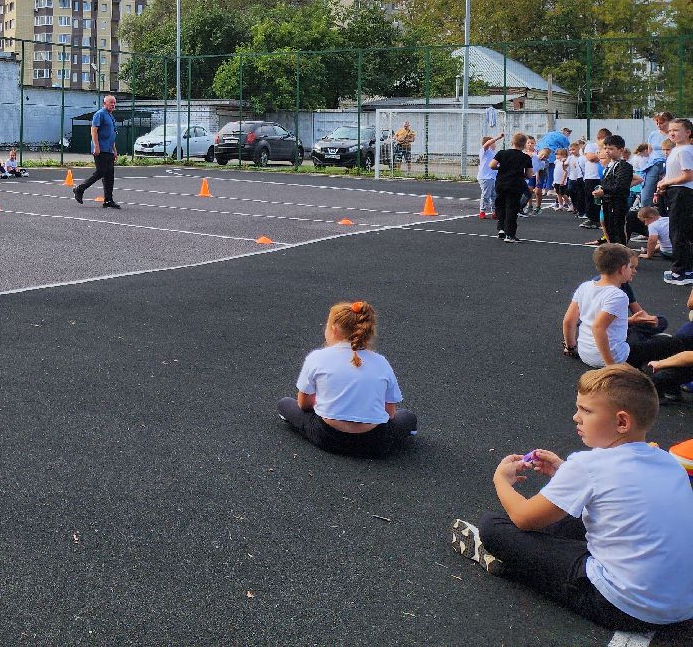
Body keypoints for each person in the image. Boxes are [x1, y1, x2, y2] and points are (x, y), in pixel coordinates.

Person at [450, 365, 693, 632]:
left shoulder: (588, 466)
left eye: (586, 410)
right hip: (684, 605)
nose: (576, 417)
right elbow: (616, 496)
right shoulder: (667, 461)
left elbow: (523, 518)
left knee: (494, 526)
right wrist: (564, 473)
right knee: (573, 515)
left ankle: (511, 561)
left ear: (622, 422)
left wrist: (500, 480)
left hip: (625, 607)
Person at [276, 299, 417, 456]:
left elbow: (304, 405)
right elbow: (390, 414)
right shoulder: (381, 362)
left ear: (334, 330)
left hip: (328, 436)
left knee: (285, 404)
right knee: (408, 417)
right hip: (375, 442)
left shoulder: (317, 358)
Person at [561, 244, 693, 371]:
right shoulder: (618, 295)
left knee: (640, 332)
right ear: (622, 269)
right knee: (673, 344)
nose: (633, 271)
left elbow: (568, 321)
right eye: (631, 267)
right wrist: (611, 367)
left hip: (585, 353)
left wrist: (570, 347)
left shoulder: (584, 287)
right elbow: (598, 328)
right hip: (613, 357)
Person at [654, 117, 693, 289]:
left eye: (676, 130)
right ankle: (687, 269)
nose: (672, 133)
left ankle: (680, 272)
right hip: (677, 192)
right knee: (680, 232)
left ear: (688, 132)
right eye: (670, 130)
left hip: (682, 194)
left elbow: (688, 176)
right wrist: (663, 183)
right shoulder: (677, 150)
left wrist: (667, 183)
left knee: (678, 233)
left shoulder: (685, 150)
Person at [74, 94, 120, 209]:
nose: (113, 105)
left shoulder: (111, 116)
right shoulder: (100, 114)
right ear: (104, 103)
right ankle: (80, 189)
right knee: (101, 172)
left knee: (109, 175)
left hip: (109, 149)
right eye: (111, 102)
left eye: (114, 103)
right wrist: (96, 146)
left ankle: (108, 200)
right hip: (101, 149)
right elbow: (94, 131)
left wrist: (114, 149)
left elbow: (111, 135)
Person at [491, 132, 536, 242]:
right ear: (524, 144)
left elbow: (492, 165)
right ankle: (510, 235)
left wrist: (501, 168)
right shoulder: (525, 157)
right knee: (512, 208)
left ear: (512, 142)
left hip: (501, 183)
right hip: (515, 184)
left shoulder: (502, 153)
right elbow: (529, 175)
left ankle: (501, 229)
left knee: (501, 205)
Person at [593, 136, 633, 247]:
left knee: (618, 229)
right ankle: (612, 251)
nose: (607, 151)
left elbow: (621, 186)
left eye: (611, 148)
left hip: (617, 203)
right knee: (609, 228)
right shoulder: (610, 165)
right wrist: (601, 189)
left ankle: (621, 253)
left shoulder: (624, 166)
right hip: (607, 202)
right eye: (605, 148)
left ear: (621, 150)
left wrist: (604, 191)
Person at [531, 127, 571, 214]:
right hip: (551, 155)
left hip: (543, 153)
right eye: (568, 132)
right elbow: (567, 146)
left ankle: (545, 189)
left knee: (546, 173)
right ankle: (549, 189)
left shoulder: (550, 134)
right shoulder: (562, 137)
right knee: (551, 172)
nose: (568, 134)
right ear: (565, 132)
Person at [476, 133, 501, 219]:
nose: (495, 144)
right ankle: (482, 211)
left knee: (494, 195)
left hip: (493, 177)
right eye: (493, 142)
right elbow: (486, 144)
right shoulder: (484, 151)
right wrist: (498, 137)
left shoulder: (494, 153)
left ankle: (494, 212)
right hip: (485, 177)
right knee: (486, 194)